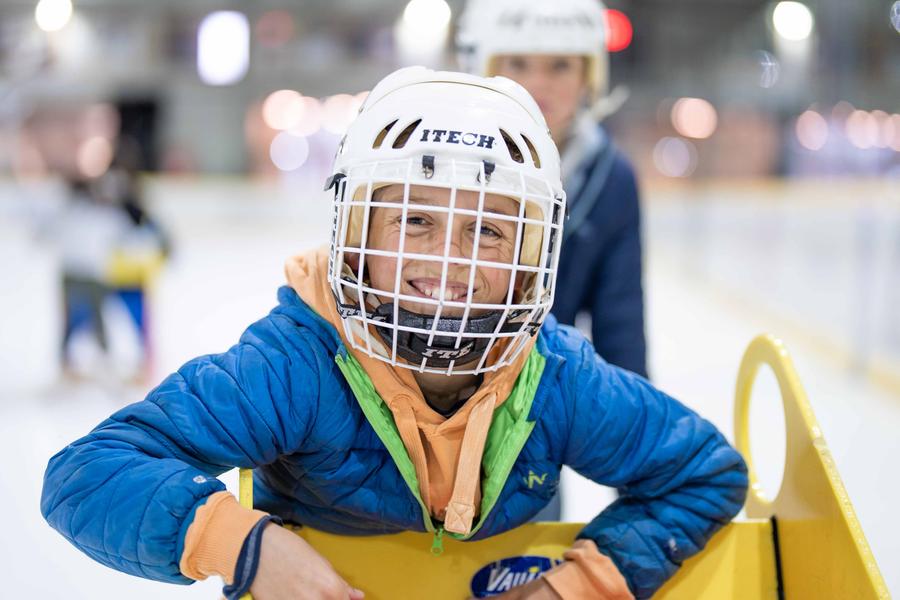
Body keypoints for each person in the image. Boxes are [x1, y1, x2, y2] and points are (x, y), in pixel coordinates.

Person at [41, 68, 746, 600]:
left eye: (489, 231)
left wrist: (579, 584)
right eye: (413, 220)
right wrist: (243, 546)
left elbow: (702, 472)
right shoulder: (296, 364)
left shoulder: (555, 375)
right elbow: (87, 474)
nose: (448, 261)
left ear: (535, 254)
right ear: (355, 232)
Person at [457, 0, 647, 378]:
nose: (539, 83)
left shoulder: (610, 177)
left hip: (544, 391)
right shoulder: (442, 160)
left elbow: (622, 329)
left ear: (588, 74)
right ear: (483, 67)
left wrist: (639, 422)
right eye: (518, 63)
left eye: (560, 65)